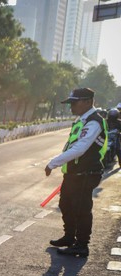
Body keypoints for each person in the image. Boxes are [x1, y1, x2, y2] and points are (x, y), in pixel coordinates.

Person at [45, 88, 108, 257]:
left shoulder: (94, 122)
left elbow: (80, 148)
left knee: (81, 209)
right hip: (75, 173)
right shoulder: (83, 120)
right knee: (65, 204)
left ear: (88, 102)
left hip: (86, 173)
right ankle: (69, 237)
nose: (71, 106)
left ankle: (81, 244)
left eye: (75, 102)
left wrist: (53, 163)